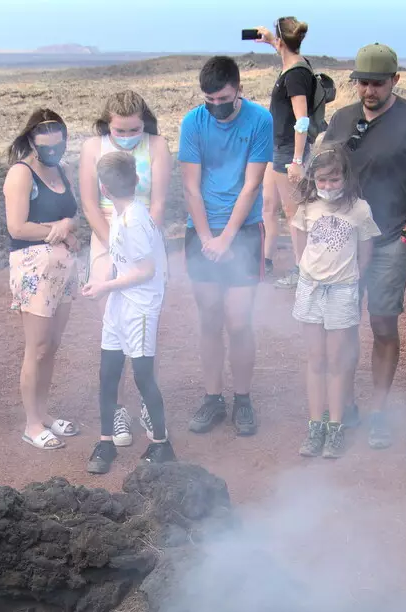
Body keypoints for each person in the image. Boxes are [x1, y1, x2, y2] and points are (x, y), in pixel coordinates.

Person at [325, 42, 406, 449]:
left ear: (395, 80)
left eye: (376, 83)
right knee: (343, 324)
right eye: (362, 83)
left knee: (383, 323)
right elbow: (324, 172)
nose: (368, 91)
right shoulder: (342, 119)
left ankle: (379, 410)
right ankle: (346, 404)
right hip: (344, 242)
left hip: (390, 238)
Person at [179, 55, 273, 438]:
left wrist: (227, 238)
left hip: (244, 231)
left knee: (238, 320)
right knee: (210, 317)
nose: (216, 107)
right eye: (209, 100)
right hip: (201, 229)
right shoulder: (192, 123)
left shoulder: (260, 120)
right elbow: (190, 186)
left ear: (239, 90)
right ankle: (213, 397)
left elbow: (252, 185)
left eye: (224, 99)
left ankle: (243, 398)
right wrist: (207, 239)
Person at [79, 90, 172, 446]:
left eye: (134, 128)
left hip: (143, 233)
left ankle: (150, 405)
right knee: (114, 323)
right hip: (107, 235)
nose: (127, 135)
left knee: (144, 323)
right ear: (108, 124)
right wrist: (114, 248)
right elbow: (89, 203)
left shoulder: (157, 145)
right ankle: (117, 409)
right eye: (120, 130)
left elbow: (159, 202)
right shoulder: (93, 147)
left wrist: (140, 242)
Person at [291, 145, 380, 459]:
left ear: (346, 177)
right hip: (311, 288)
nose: (327, 186)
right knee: (316, 359)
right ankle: (316, 424)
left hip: (342, 290)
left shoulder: (359, 209)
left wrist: (351, 277)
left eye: (333, 179)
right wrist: (305, 270)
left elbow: (365, 250)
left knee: (337, 359)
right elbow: (298, 241)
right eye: (321, 180)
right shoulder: (307, 207)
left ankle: (336, 426)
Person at [5, 109, 80, 450]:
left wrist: (67, 227)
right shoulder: (21, 174)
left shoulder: (60, 170)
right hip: (33, 270)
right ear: (32, 142)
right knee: (36, 348)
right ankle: (31, 423)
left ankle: (44, 414)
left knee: (51, 346)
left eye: (59, 145)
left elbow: (73, 213)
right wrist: (59, 230)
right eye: (47, 146)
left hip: (61, 270)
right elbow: (17, 228)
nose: (54, 151)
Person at [255, 16, 317, 288]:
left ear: (282, 41)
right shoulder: (293, 64)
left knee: (294, 214)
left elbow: (301, 119)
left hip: (288, 151)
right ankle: (264, 262)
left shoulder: (295, 75)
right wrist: (271, 40)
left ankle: (302, 270)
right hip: (275, 147)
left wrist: (296, 161)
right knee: (268, 205)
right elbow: (286, 51)